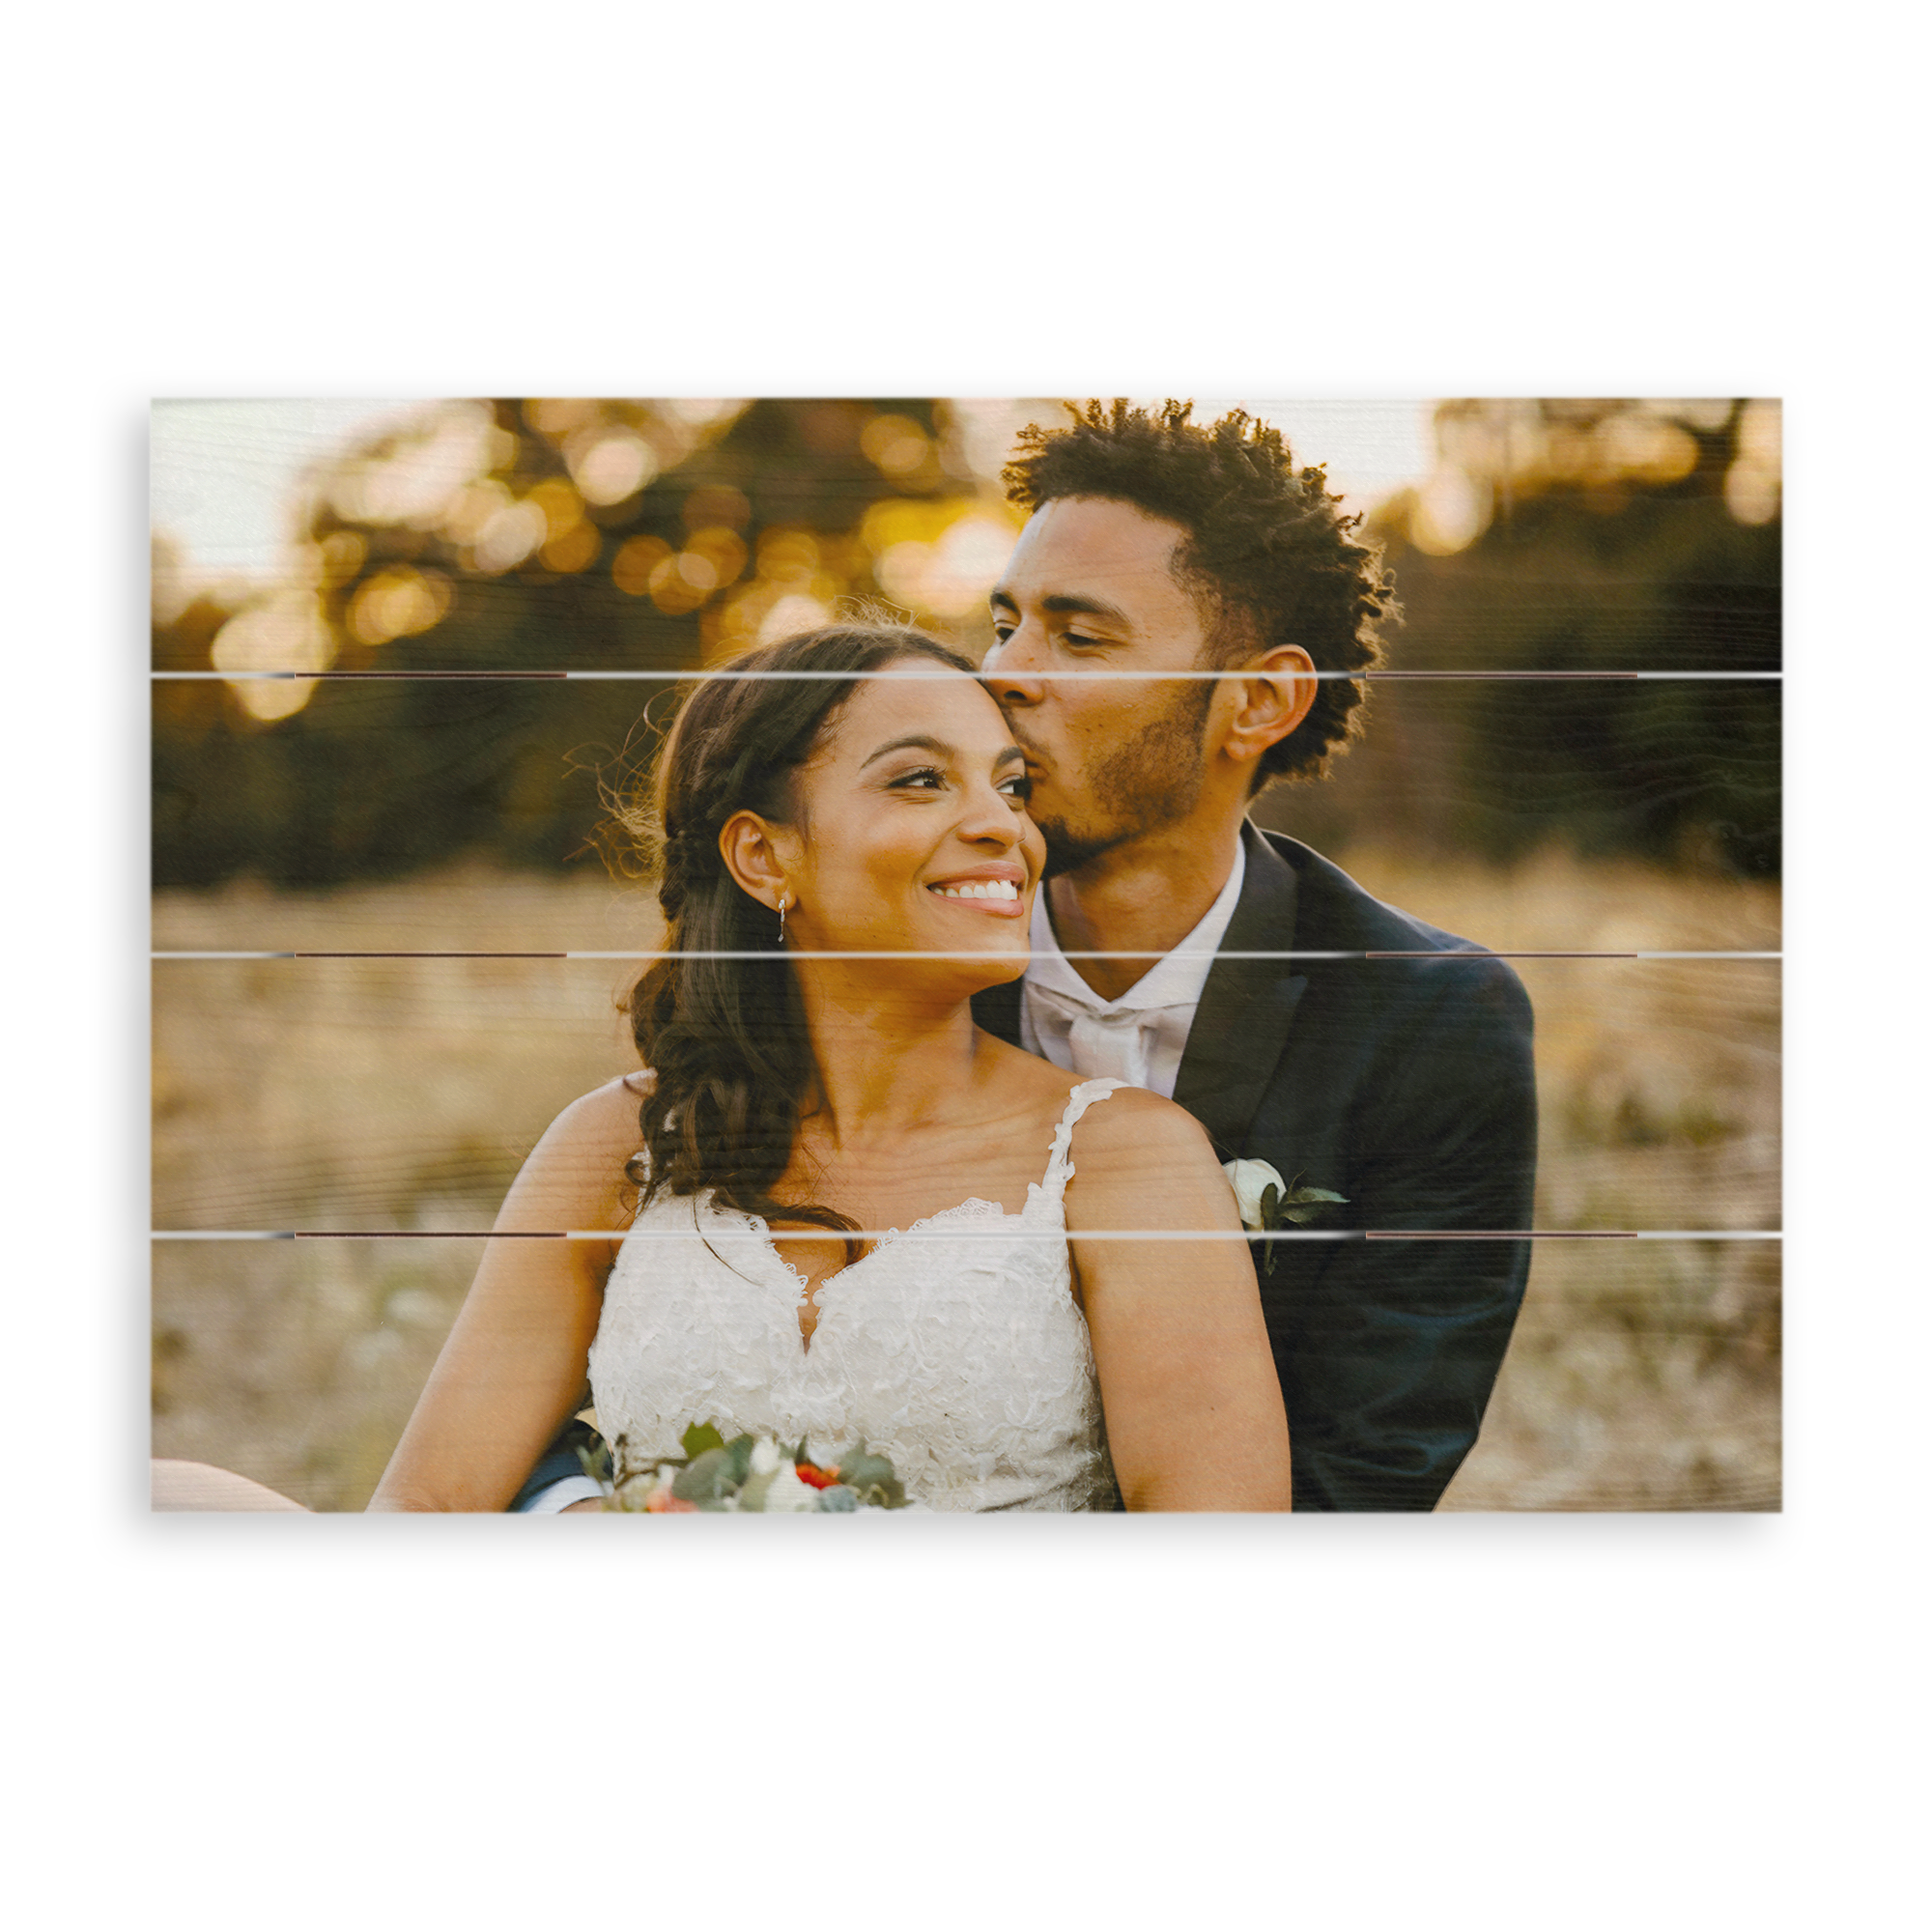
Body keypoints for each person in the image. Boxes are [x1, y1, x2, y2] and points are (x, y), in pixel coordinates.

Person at [153, 622, 1293, 1514]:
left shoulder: (1123, 1159)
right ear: (763, 853)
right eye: (917, 780)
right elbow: (430, 1494)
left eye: (1008, 784)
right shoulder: (616, 1145)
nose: (1002, 826)